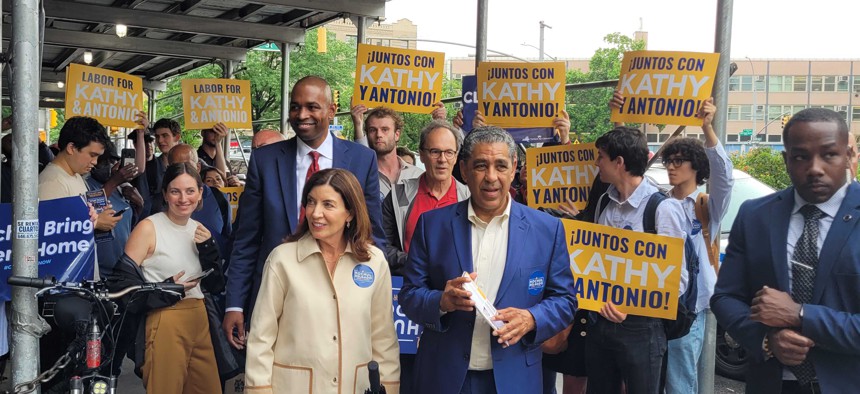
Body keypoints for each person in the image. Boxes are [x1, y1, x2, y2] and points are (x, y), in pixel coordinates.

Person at [398, 126, 576, 394]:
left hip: (515, 379)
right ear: (465, 169)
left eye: (501, 166)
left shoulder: (547, 230)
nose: (491, 177)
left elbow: (565, 300)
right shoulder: (432, 226)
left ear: (514, 167)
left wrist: (532, 317)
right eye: (481, 165)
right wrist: (442, 302)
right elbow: (409, 296)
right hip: (444, 377)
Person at [225, 75, 387, 350]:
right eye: (295, 107)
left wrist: (369, 295)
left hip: (342, 299)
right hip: (279, 299)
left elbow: (371, 234)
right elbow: (246, 239)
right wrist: (235, 304)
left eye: (312, 107)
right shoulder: (265, 161)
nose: (302, 115)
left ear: (331, 111)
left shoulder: (362, 159)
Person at [712, 108, 860, 394]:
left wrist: (801, 315)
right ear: (786, 159)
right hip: (771, 383)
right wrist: (766, 340)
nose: (815, 167)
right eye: (801, 156)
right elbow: (725, 297)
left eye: (829, 154)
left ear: (849, 155)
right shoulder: (755, 215)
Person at [245, 169, 400, 393]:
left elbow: (383, 338)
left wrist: (389, 387)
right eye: (311, 202)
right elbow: (261, 338)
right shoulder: (282, 260)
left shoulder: (374, 262)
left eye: (328, 204)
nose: (316, 213)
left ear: (350, 213)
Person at [586, 126, 689, 394]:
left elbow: (677, 281)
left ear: (619, 162)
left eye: (601, 157)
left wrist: (630, 305)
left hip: (643, 328)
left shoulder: (662, 209)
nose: (597, 163)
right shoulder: (603, 205)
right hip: (601, 323)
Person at [123, 162, 221, 393]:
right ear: (165, 194)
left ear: (200, 193)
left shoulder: (199, 228)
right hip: (165, 316)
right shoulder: (148, 228)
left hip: (199, 315)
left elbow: (216, 284)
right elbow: (123, 284)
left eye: (190, 191)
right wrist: (165, 288)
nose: (183, 198)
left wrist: (209, 249)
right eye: (175, 191)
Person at [382, 119, 470, 273]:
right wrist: (415, 261)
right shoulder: (398, 195)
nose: (442, 159)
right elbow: (381, 245)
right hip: (411, 287)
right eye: (435, 152)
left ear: (456, 157)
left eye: (449, 152)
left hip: (459, 288)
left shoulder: (470, 198)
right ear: (422, 155)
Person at [39, 116, 122, 234]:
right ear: (71, 148)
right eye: (92, 155)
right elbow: (47, 233)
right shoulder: (52, 183)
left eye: (98, 156)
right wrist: (95, 223)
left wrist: (99, 214)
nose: (95, 162)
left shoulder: (76, 175)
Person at [85, 141, 144, 275]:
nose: (110, 166)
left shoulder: (121, 186)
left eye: (113, 161)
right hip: (100, 269)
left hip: (122, 266)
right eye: (104, 162)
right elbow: (96, 213)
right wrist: (113, 182)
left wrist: (139, 206)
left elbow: (126, 223)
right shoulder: (87, 184)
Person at [351, 106, 426, 200]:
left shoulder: (417, 175)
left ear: (397, 135)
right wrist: (357, 124)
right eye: (373, 130)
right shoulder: (361, 177)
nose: (379, 135)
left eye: (385, 129)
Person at [168, 144, 232, 254]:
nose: (182, 171)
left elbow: (227, 239)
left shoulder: (219, 197)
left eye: (187, 165)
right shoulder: (159, 202)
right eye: (176, 166)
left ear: (198, 167)